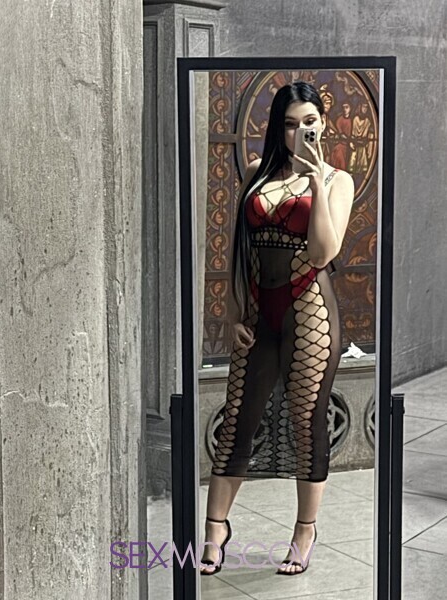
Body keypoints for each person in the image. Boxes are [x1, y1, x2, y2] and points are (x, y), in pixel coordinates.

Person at [200, 81, 355, 576]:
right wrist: (231, 310)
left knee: (306, 423)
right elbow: (237, 247)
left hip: (310, 312)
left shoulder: (338, 180)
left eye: (309, 122)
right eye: (289, 124)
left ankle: (305, 531)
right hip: (256, 312)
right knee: (238, 418)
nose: (299, 132)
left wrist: (315, 183)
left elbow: (324, 253)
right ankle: (215, 529)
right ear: (276, 128)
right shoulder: (255, 172)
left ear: (322, 124)